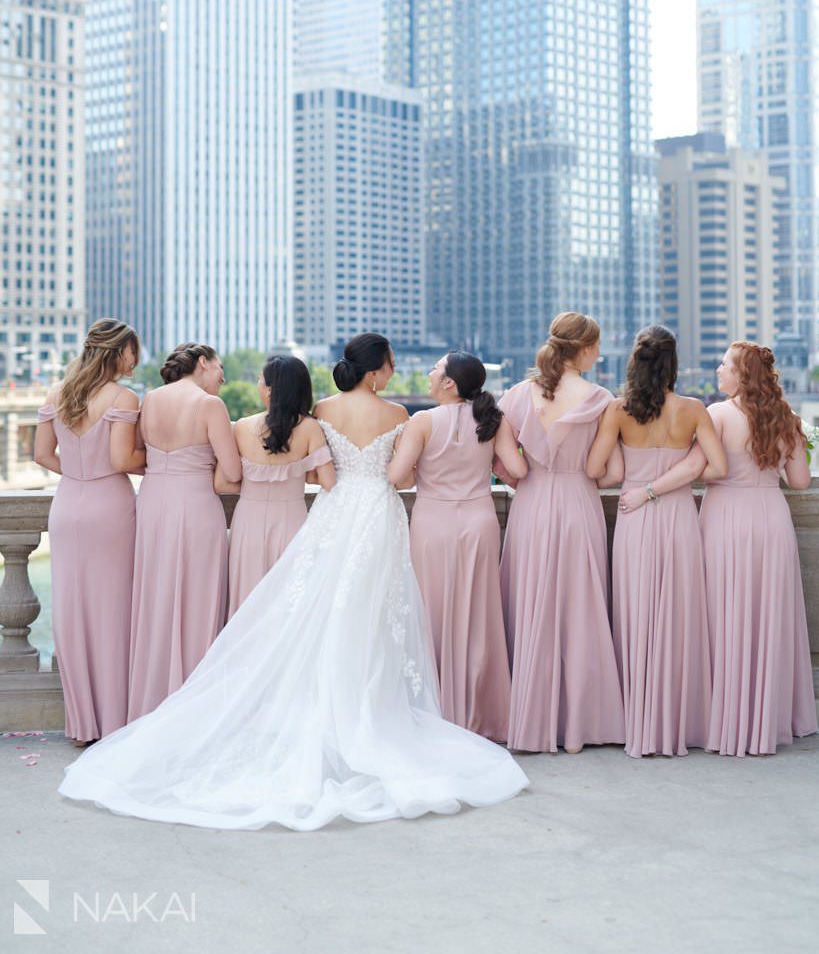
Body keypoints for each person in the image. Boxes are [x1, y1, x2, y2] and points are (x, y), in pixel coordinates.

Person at [58, 333, 528, 830]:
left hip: (333, 512)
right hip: (377, 516)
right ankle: (364, 706)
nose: (393, 373)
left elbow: (307, 468)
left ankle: (311, 709)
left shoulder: (322, 409)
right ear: (376, 373)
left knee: (315, 609)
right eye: (390, 365)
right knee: (372, 614)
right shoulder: (398, 417)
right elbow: (398, 477)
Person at [644, 342, 818, 755]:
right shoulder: (787, 418)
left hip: (725, 521)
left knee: (722, 616)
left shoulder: (718, 415)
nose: (718, 369)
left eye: (724, 364)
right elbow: (800, 482)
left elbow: (697, 471)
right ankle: (764, 720)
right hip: (772, 521)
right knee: (767, 616)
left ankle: (724, 719)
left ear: (741, 374)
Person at [587, 324, 727, 758]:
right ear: (674, 364)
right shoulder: (694, 410)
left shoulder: (617, 410)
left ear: (635, 361)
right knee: (679, 616)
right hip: (679, 517)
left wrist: (630, 471)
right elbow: (717, 468)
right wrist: (687, 462)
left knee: (636, 613)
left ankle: (638, 720)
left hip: (634, 513)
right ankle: (679, 721)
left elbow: (598, 471)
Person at [497, 312, 625, 753]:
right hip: (577, 503)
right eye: (597, 346)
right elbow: (610, 472)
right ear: (583, 349)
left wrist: (525, 478)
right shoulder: (601, 398)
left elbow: (501, 463)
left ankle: (530, 718)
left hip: (531, 503)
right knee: (580, 607)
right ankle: (578, 727)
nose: (600, 353)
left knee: (531, 601)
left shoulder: (516, 394)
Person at [388, 351, 526, 741]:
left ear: (448, 382)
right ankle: (480, 712)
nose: (430, 373)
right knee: (478, 615)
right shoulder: (493, 419)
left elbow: (398, 479)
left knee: (430, 611)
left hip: (433, 522)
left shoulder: (423, 421)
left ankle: (432, 707)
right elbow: (517, 471)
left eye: (435, 368)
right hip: (480, 522)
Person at [34, 319, 143, 745]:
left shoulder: (56, 394)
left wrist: (79, 473)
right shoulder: (124, 397)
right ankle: (114, 721)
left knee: (72, 611)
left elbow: (42, 455)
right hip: (109, 505)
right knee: (114, 611)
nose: (136, 359)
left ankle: (81, 726)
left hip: (68, 506)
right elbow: (123, 461)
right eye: (133, 351)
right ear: (118, 352)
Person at [127, 342, 241, 721]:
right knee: (199, 596)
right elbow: (233, 471)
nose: (223, 377)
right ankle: (195, 701)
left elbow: (137, 453)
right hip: (195, 503)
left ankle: (154, 699)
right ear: (203, 362)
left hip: (153, 501)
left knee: (157, 596)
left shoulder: (150, 400)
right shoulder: (211, 406)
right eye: (220, 367)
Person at [217, 355, 335, 619]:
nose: (258, 384)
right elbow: (328, 482)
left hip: (248, 520)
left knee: (248, 599)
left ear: (270, 389)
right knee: (287, 602)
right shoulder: (310, 428)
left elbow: (221, 482)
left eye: (260, 380)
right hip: (292, 521)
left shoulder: (242, 427)